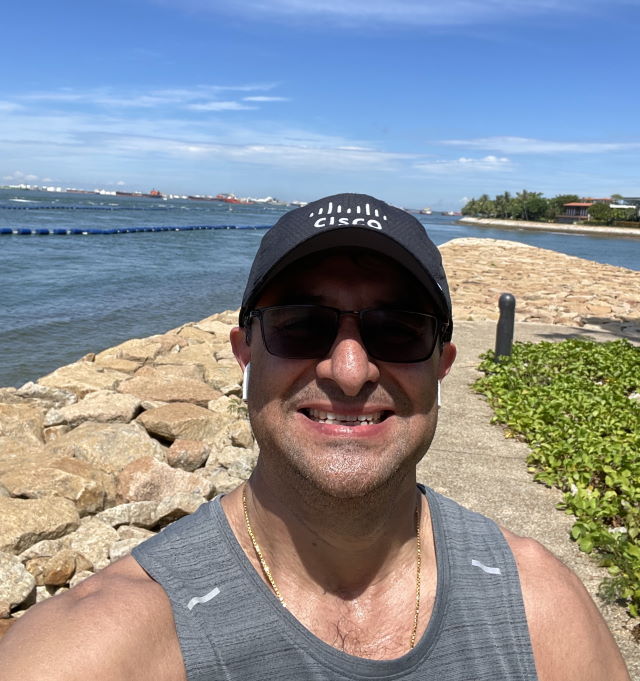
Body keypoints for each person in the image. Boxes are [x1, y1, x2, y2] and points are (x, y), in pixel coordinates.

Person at [0, 193, 630, 680]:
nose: (349, 370)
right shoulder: (101, 646)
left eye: (399, 328)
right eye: (301, 325)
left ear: (443, 363)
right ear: (245, 353)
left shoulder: (539, 609)